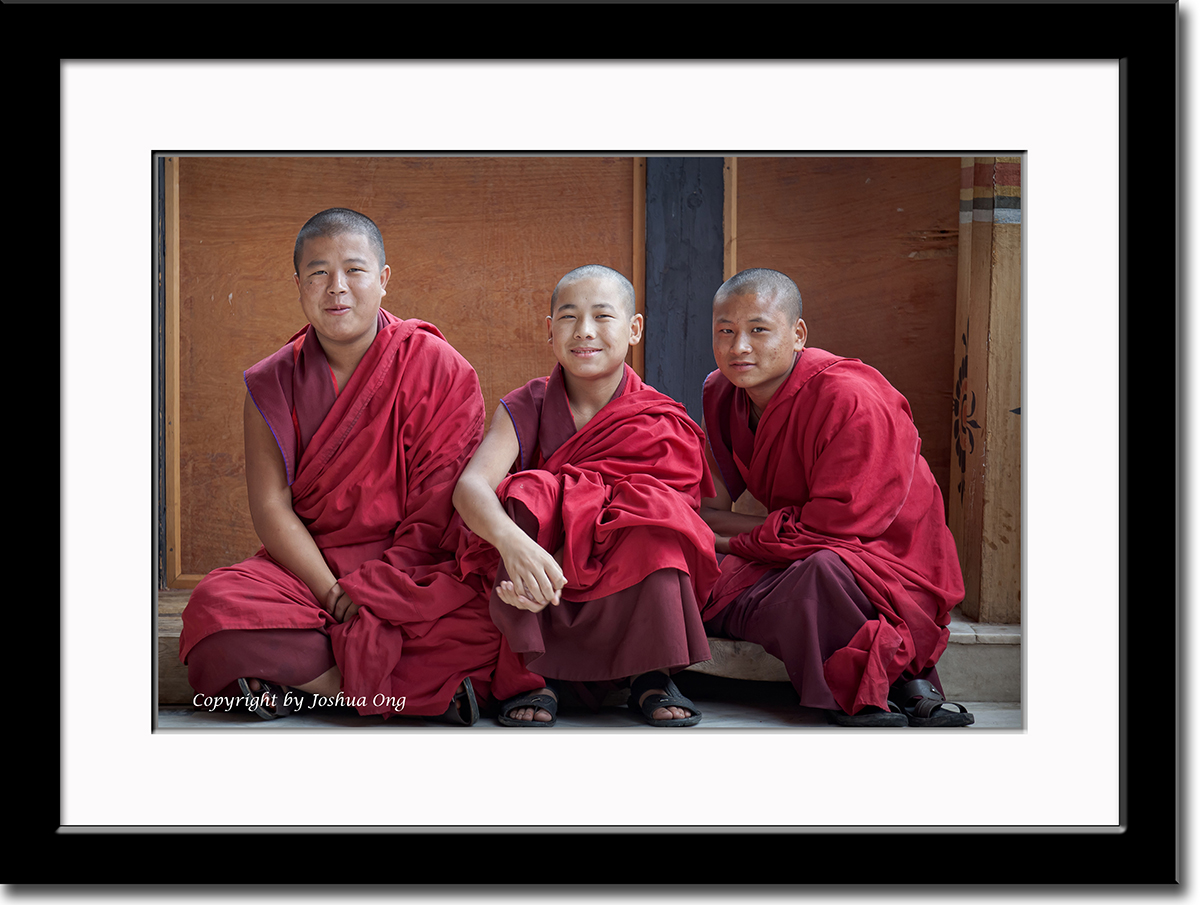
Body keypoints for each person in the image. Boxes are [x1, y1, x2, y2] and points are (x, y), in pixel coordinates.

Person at [178, 208, 498, 724]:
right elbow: (270, 507)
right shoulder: (271, 382)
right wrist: (333, 592)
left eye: (354, 270)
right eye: (318, 273)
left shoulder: (440, 368)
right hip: (310, 571)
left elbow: (439, 507)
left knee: (490, 622)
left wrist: (378, 591)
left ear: (384, 280)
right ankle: (386, 692)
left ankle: (303, 683)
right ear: (298, 285)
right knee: (214, 606)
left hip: (411, 567)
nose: (337, 288)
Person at [699, 268, 973, 727]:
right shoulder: (722, 392)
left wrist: (725, 538)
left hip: (882, 558)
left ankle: (864, 688)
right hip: (796, 547)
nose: (738, 347)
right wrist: (705, 535)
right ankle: (904, 685)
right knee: (690, 563)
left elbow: (837, 529)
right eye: (725, 331)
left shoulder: (851, 397)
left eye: (758, 330)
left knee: (822, 575)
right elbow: (709, 505)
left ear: (798, 333)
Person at [452, 265, 719, 727]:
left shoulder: (659, 419)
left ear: (634, 329)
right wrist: (516, 545)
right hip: (536, 574)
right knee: (527, 497)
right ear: (550, 331)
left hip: (621, 571)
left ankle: (648, 674)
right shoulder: (527, 404)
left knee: (658, 517)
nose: (585, 332)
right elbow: (470, 486)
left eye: (602, 316)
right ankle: (532, 676)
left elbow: (685, 512)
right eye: (570, 317)